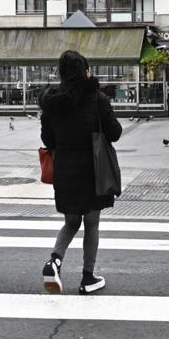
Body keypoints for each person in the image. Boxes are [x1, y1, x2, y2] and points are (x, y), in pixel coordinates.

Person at [39, 50, 122, 296]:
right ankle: (88, 277)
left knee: (71, 222)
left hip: (65, 169)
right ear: (85, 71)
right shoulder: (97, 99)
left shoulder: (52, 103)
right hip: (93, 170)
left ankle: (54, 261)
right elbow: (115, 132)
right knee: (92, 223)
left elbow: (48, 139)